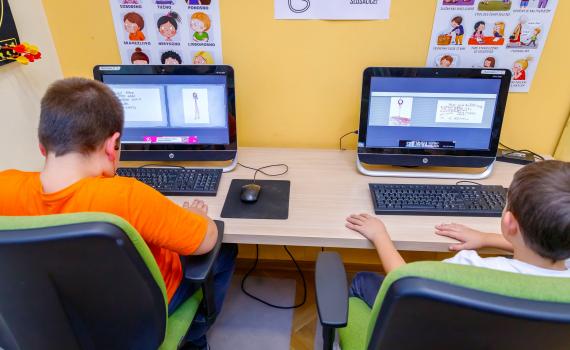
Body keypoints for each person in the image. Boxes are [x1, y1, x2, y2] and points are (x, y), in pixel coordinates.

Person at [0, 78, 237, 349]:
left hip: (54, 318)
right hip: (141, 320)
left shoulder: (3, 188)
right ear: (113, 146)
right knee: (225, 250)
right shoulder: (126, 196)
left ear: (43, 146)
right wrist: (199, 217)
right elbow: (205, 240)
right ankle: (194, 336)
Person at [345, 160, 570, 309]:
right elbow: (539, 252)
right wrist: (487, 238)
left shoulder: (470, 270)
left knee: (363, 280)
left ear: (510, 222)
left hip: (428, 333)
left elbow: (405, 281)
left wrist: (379, 235)